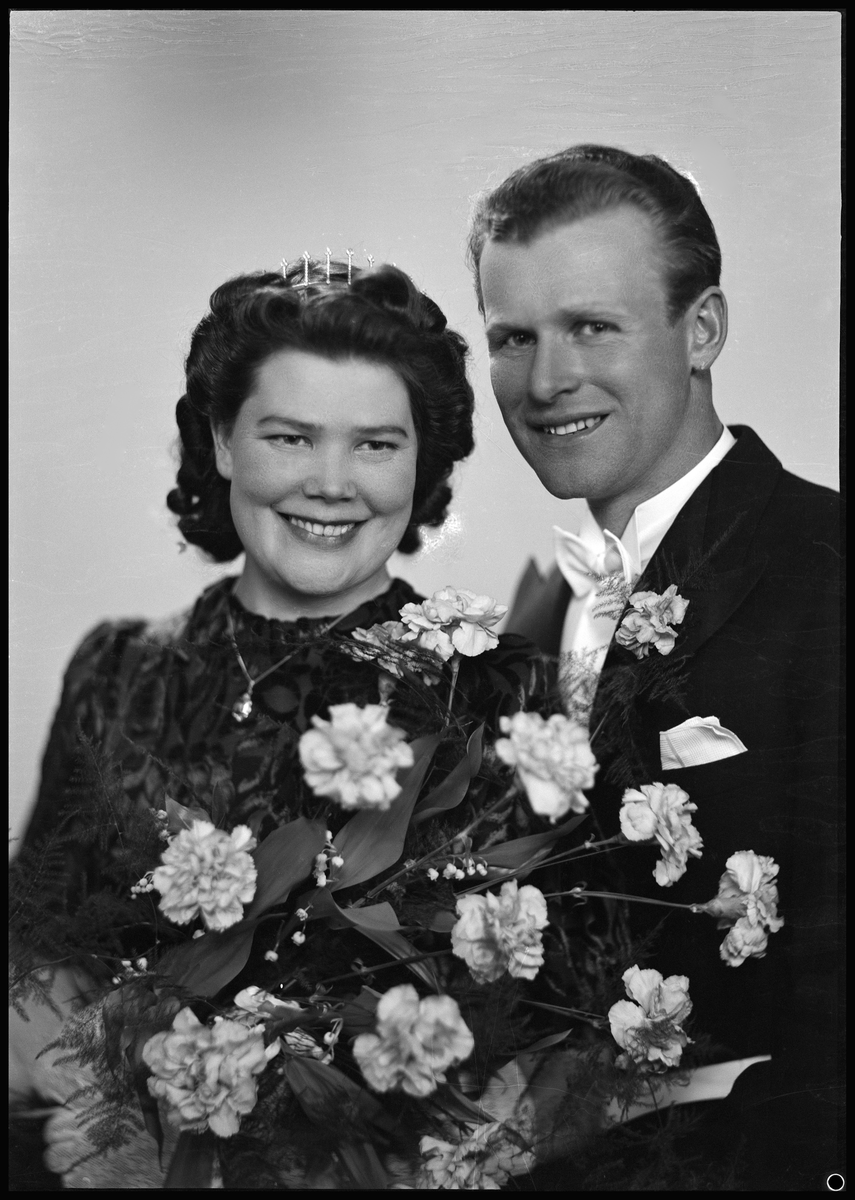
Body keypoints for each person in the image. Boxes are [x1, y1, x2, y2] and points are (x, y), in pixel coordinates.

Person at [9, 256, 549, 1187]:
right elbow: (34, 946)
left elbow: (529, 1034)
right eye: (291, 437)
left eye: (375, 444)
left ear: (420, 462)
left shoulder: (498, 695)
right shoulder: (116, 671)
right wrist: (102, 1108)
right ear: (223, 440)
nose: (331, 483)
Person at [467, 145, 842, 1189]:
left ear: (702, 330)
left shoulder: (825, 568)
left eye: (592, 326)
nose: (547, 381)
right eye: (513, 338)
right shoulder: (533, 623)